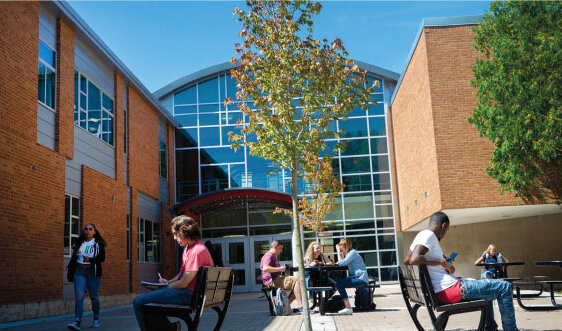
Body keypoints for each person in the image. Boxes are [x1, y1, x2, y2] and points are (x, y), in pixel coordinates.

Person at [404, 211, 517, 331]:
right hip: (449, 290)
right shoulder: (429, 235)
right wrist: (442, 262)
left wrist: (440, 260)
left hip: (442, 290)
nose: (444, 234)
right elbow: (414, 259)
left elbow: (406, 260)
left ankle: (490, 328)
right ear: (444, 226)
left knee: (487, 285)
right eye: (446, 230)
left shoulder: (421, 235)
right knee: (504, 287)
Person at [133, 216, 214, 331]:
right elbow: (181, 276)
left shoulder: (196, 251)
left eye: (176, 234)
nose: (175, 238)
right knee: (149, 303)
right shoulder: (190, 248)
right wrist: (168, 282)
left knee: (138, 302)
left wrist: (164, 287)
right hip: (191, 294)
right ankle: (171, 328)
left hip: (188, 295)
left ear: (185, 231)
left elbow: (184, 283)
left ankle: (171, 328)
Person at [67, 223, 106, 330]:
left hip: (92, 272)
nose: (88, 231)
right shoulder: (79, 243)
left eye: (90, 229)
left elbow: (102, 258)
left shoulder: (98, 243)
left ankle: (96, 318)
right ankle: (77, 321)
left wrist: (90, 260)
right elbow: (74, 258)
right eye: (86, 229)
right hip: (79, 271)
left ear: (94, 232)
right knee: (79, 297)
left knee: (94, 297)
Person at [260, 240, 304, 313]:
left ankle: (284, 306)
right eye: (280, 248)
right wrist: (280, 268)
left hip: (275, 279)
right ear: (274, 247)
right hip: (271, 281)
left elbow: (274, 270)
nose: (281, 251)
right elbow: (265, 268)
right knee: (297, 280)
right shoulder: (269, 256)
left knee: (298, 285)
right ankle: (301, 307)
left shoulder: (273, 256)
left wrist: (284, 270)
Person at [334, 238, 368, 315]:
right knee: (338, 282)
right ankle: (347, 307)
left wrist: (338, 252)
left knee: (339, 284)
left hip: (360, 278)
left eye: (342, 249)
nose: (341, 251)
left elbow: (342, 263)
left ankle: (348, 308)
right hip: (356, 277)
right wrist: (341, 260)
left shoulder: (352, 253)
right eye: (340, 250)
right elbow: (343, 262)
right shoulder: (350, 253)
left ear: (345, 246)